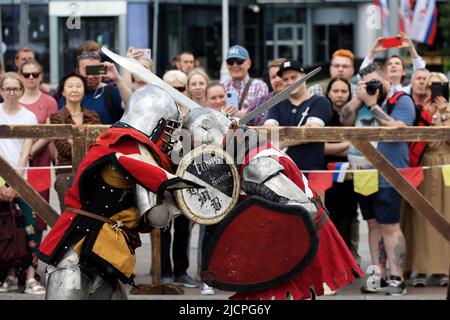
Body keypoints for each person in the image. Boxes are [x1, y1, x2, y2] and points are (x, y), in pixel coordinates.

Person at [178, 107, 363, 300]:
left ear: (208, 133)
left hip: (294, 244)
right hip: (283, 248)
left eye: (195, 144)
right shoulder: (243, 151)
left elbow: (301, 211)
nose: (198, 152)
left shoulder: (256, 164)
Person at [37, 84, 199, 299]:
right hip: (78, 251)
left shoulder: (124, 144)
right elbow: (157, 216)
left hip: (105, 250)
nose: (170, 138)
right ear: (155, 122)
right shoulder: (129, 148)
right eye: (169, 129)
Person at [340, 63, 415, 296]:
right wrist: (357, 98)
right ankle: (378, 275)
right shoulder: (361, 102)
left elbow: (397, 129)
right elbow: (344, 120)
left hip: (389, 172)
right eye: (366, 83)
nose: (372, 87)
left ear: (387, 82)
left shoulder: (401, 100)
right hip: (362, 171)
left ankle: (397, 277)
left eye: (375, 83)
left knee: (390, 225)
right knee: (371, 224)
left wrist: (373, 105)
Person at [401, 72, 450, 288]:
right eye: (432, 86)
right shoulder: (420, 110)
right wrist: (429, 115)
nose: (435, 91)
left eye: (440, 86)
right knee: (420, 219)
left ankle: (444, 269)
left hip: (447, 168)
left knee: (446, 216)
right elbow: (414, 140)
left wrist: (445, 115)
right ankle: (419, 267)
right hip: (423, 167)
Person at [0, 72, 45, 295]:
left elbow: (25, 153)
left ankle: (29, 277)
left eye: (15, 89)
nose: (11, 93)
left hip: (22, 180)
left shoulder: (28, 117)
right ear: (1, 91)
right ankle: (8, 274)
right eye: (6, 88)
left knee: (31, 228)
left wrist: (15, 183)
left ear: (20, 91)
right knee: (5, 230)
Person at [159, 70, 199, 289]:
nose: (176, 92)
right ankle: (164, 271)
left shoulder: (194, 113)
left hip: (187, 174)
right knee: (163, 225)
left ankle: (181, 271)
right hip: (163, 173)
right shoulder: (159, 111)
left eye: (180, 88)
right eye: (170, 87)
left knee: (184, 226)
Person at [264, 59, 333, 175]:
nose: (290, 82)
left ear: (304, 77)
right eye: (285, 79)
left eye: (294, 77)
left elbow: (311, 131)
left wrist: (283, 142)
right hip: (281, 174)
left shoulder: (320, 102)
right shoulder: (276, 104)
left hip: (311, 174)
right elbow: (269, 132)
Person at [50, 73, 101, 212]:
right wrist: (83, 142)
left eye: (78, 86)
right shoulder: (55, 118)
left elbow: (96, 147)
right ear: (63, 92)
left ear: (84, 91)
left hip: (91, 172)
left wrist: (73, 140)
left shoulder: (93, 116)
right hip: (66, 172)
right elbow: (63, 149)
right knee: (68, 218)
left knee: (92, 217)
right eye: (70, 86)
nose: (74, 89)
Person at [18, 60, 58, 236]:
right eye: (27, 74)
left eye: (35, 74)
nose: (31, 78)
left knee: (39, 206)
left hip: (39, 160)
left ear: (41, 77)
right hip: (14, 158)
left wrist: (30, 152)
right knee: (15, 204)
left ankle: (35, 255)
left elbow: (51, 131)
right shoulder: (13, 98)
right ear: (21, 76)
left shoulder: (49, 101)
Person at [323, 77, 358, 255]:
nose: (339, 95)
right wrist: (350, 144)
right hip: (326, 174)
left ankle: (348, 259)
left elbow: (362, 148)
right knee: (330, 217)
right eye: (336, 91)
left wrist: (343, 148)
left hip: (350, 175)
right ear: (328, 93)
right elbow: (321, 148)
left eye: (343, 91)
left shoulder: (354, 115)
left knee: (348, 217)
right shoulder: (323, 115)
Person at [56, 52, 131, 124]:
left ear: (101, 69)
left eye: (94, 69)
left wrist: (117, 79)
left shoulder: (111, 91)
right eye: (87, 70)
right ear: (77, 71)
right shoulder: (70, 94)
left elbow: (131, 106)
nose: (91, 76)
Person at [359, 32, 425, 95]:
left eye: (397, 63)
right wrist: (373, 52)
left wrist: (411, 48)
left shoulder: (408, 91)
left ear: (404, 72)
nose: (393, 65)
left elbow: (421, 71)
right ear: (385, 71)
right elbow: (362, 75)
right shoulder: (378, 90)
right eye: (390, 64)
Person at [222, 45, 269, 118]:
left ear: (249, 63)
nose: (234, 65)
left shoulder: (259, 86)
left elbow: (260, 113)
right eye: (230, 62)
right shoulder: (221, 86)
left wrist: (231, 114)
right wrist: (247, 112)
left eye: (239, 61)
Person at [246, 58, 286, 126]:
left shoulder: (298, 101)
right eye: (273, 77)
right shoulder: (258, 102)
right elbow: (245, 126)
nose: (277, 80)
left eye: (280, 75)